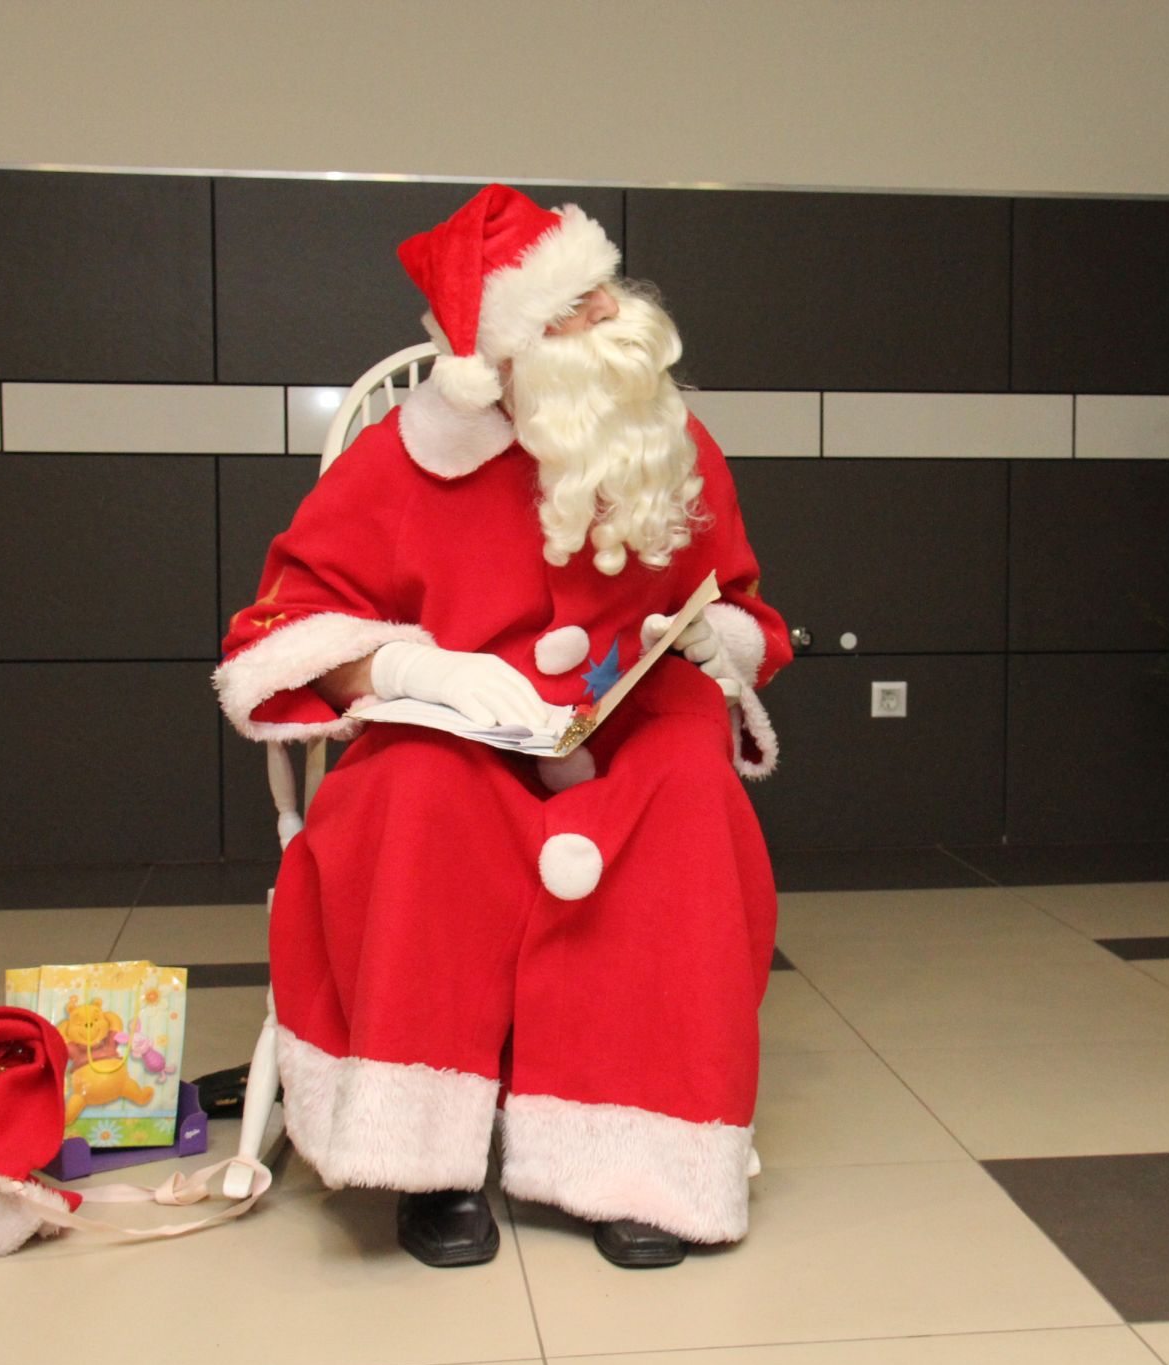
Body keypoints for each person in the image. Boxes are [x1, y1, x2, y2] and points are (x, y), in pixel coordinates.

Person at [215, 184, 790, 1269]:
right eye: (571, 309)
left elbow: (740, 598)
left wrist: (720, 642)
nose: (608, 315)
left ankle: (641, 1153)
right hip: (454, 734)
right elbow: (280, 627)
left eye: (601, 291)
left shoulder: (667, 437)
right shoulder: (400, 459)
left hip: (627, 718)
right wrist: (408, 665)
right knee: (415, 791)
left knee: (686, 788)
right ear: (500, 355)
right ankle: (425, 1155)